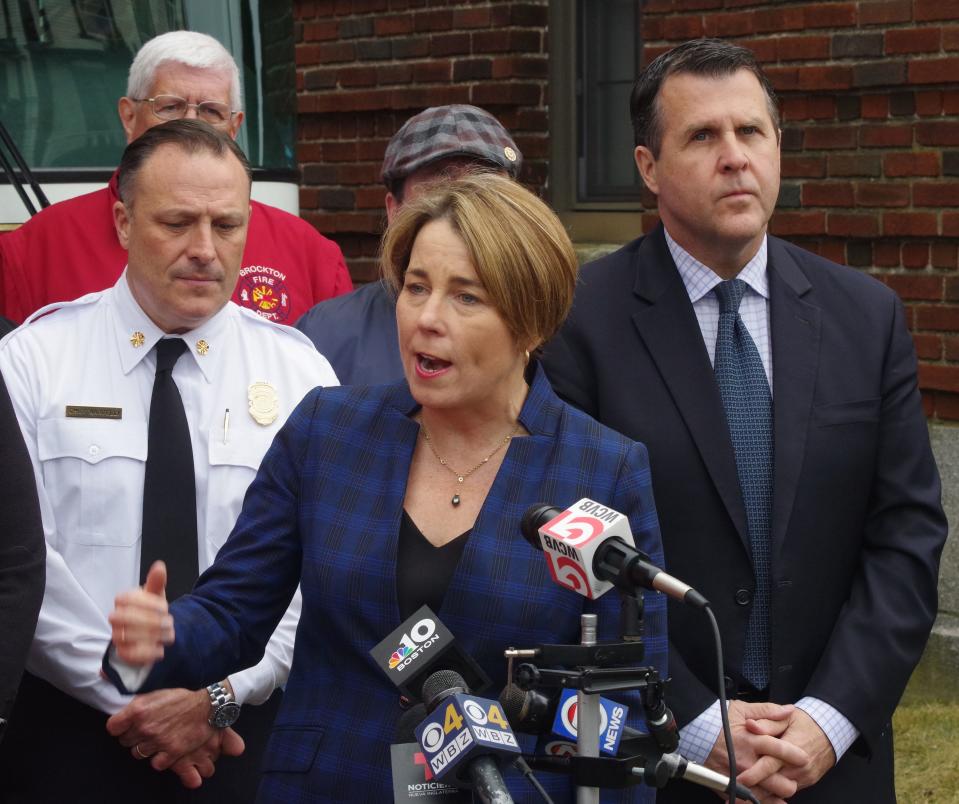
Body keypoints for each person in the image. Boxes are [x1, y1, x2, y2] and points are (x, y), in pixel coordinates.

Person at [104, 171, 668, 802]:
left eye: (466, 297)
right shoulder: (329, 430)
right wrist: (164, 634)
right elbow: (234, 611)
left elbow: (623, 711)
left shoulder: (601, 469)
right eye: (416, 287)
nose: (426, 319)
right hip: (325, 783)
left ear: (532, 324)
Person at [542, 38, 947, 804]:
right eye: (702, 136)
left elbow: (905, 537)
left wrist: (828, 720)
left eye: (750, 132)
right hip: (661, 758)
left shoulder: (866, 317)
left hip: (831, 763)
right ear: (647, 168)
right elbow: (569, 552)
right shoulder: (579, 322)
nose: (734, 157)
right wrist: (694, 720)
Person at [0, 120, 338, 802]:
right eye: (178, 222)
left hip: (240, 736)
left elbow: (319, 570)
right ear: (122, 221)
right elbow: (22, 565)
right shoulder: (33, 362)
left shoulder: (301, 375)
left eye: (227, 224)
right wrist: (132, 696)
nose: (205, 250)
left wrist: (215, 698)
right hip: (69, 734)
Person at [0, 30, 352, 325]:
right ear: (128, 116)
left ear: (235, 126)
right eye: (169, 106)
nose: (191, 124)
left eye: (211, 111)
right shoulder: (32, 253)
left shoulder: (312, 257)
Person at [296, 104, 522, 385]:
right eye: (440, 194)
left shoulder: (550, 329)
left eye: (484, 194)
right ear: (394, 210)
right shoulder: (325, 334)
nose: (462, 212)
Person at [0, 367, 45, 743]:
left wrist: (221, 694)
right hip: (63, 697)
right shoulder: (27, 355)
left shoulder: (270, 354)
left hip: (242, 711)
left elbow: (18, 560)